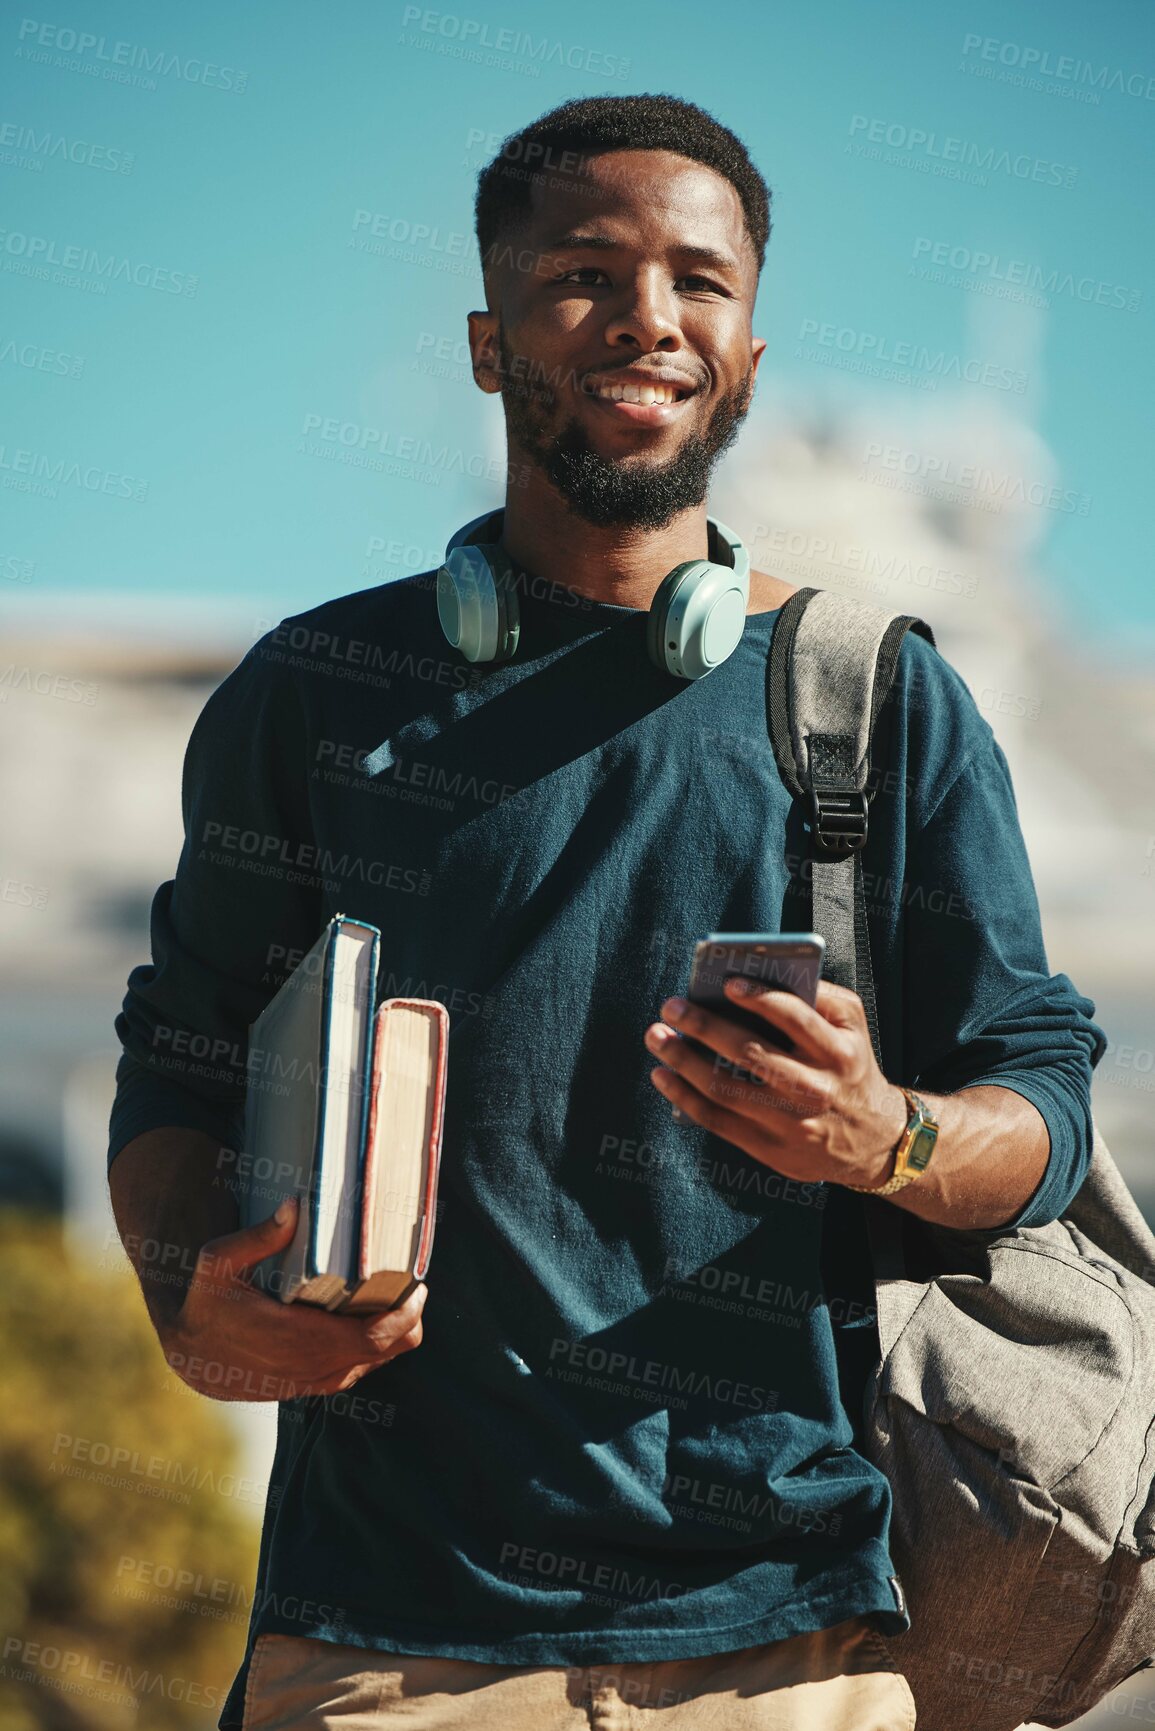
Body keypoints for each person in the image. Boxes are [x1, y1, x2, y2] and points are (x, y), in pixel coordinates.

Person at [107, 94, 1107, 1730]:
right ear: (493, 345)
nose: (652, 316)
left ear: (752, 357)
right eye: (587, 273)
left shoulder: (880, 700)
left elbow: (1044, 1100)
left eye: (701, 283)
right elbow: (181, 1052)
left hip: (790, 1650)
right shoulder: (312, 695)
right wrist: (187, 1306)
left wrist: (886, 1137)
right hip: (381, 1648)